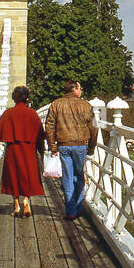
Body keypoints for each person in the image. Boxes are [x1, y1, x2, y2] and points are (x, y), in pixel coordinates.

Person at [45, 79, 96, 219]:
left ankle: (70, 210)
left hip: (63, 145)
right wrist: (92, 146)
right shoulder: (86, 105)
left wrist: (52, 146)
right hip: (80, 144)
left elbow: (49, 126)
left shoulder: (56, 104)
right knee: (78, 175)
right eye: (80, 88)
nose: (81, 91)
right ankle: (79, 206)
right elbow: (94, 127)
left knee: (67, 176)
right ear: (74, 89)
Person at [0, 86, 46, 218]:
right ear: (27, 99)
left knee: (13, 176)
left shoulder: (8, 113)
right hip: (29, 150)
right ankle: (26, 202)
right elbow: (40, 134)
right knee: (27, 175)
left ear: (14, 98)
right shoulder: (32, 113)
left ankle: (16, 205)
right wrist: (42, 151)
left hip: (13, 150)